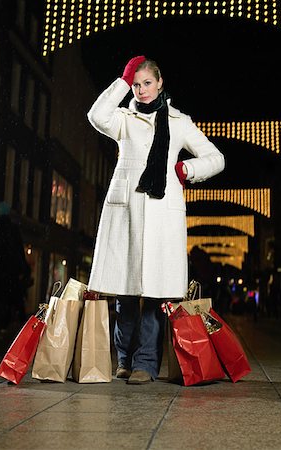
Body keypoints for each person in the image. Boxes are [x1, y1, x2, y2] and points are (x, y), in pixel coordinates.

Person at [87, 56, 225, 384]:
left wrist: (188, 170)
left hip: (163, 215)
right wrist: (121, 81)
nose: (142, 89)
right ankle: (123, 359)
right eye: (136, 84)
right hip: (127, 212)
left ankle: (145, 364)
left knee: (153, 295)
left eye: (147, 82)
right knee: (124, 293)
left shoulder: (179, 122)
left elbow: (215, 158)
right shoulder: (123, 118)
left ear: (160, 83)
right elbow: (96, 115)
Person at [0, 202, 29, 339]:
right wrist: (22, 267)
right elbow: (18, 250)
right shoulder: (12, 229)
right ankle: (6, 327)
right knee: (10, 299)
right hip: (10, 270)